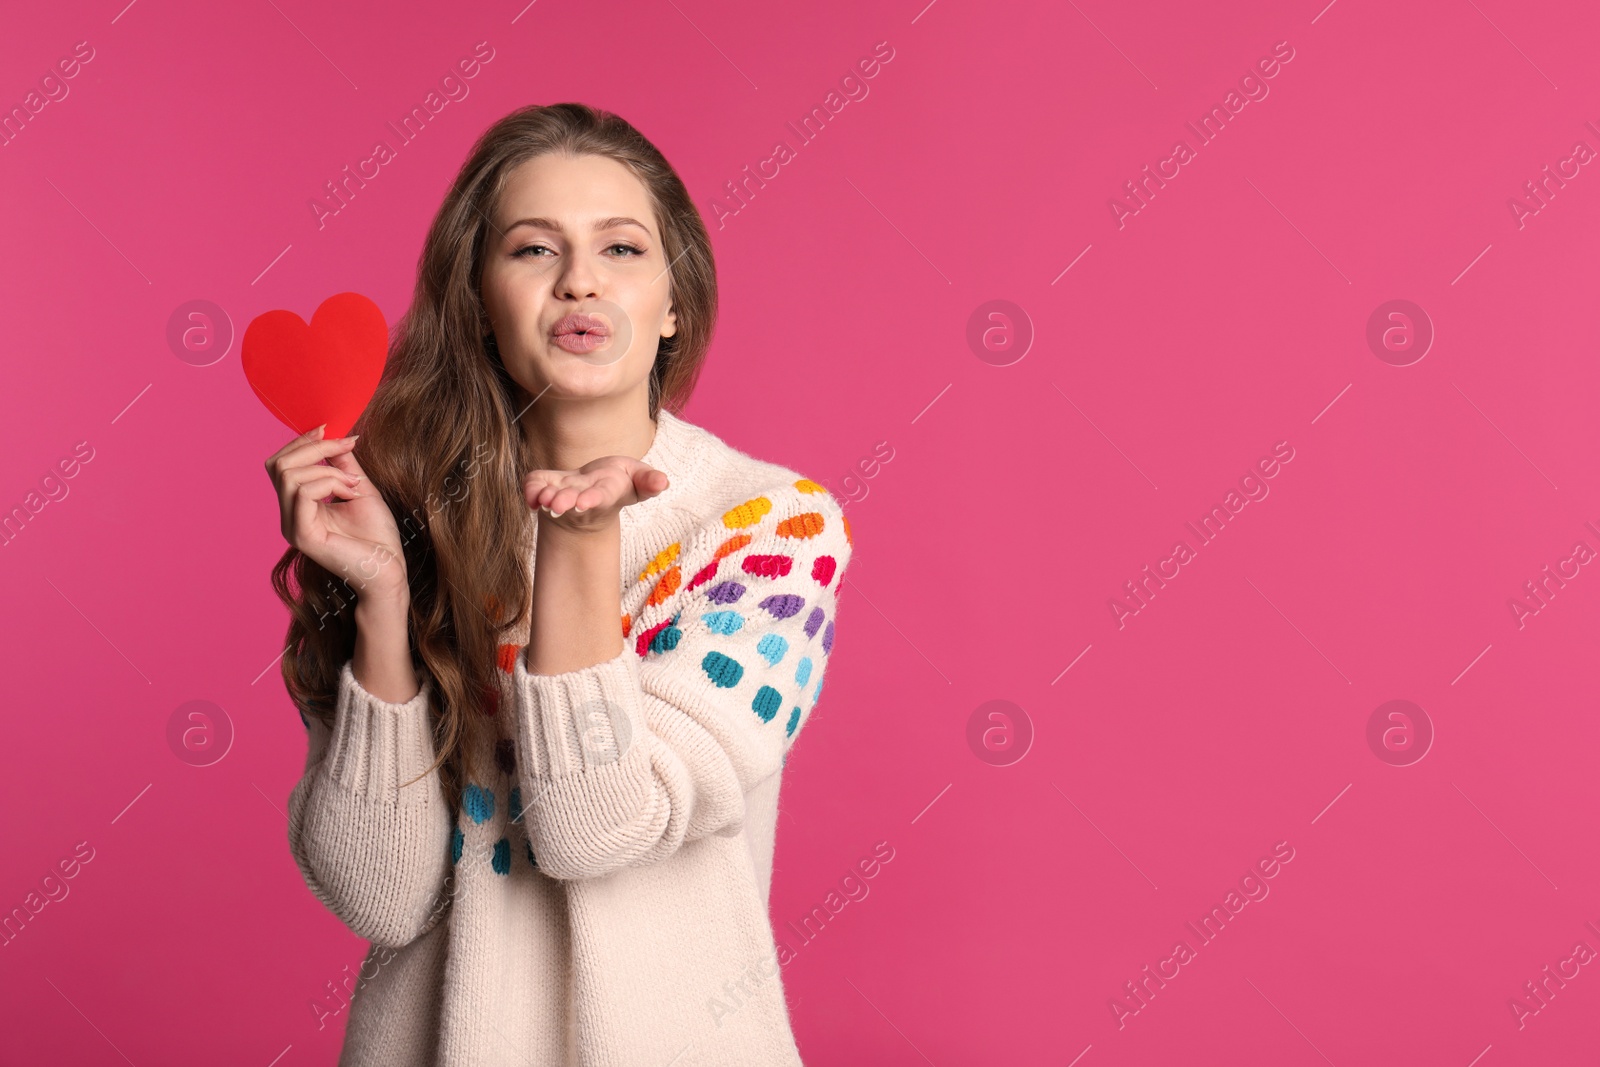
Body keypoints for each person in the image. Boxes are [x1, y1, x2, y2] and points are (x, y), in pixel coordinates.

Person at [264, 102, 853, 1067]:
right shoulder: (401, 516)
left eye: (621, 248)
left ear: (673, 305)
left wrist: (580, 544)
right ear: (479, 304)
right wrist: (381, 597)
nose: (580, 278)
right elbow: (379, 892)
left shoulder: (770, 527)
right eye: (534, 250)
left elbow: (598, 828)